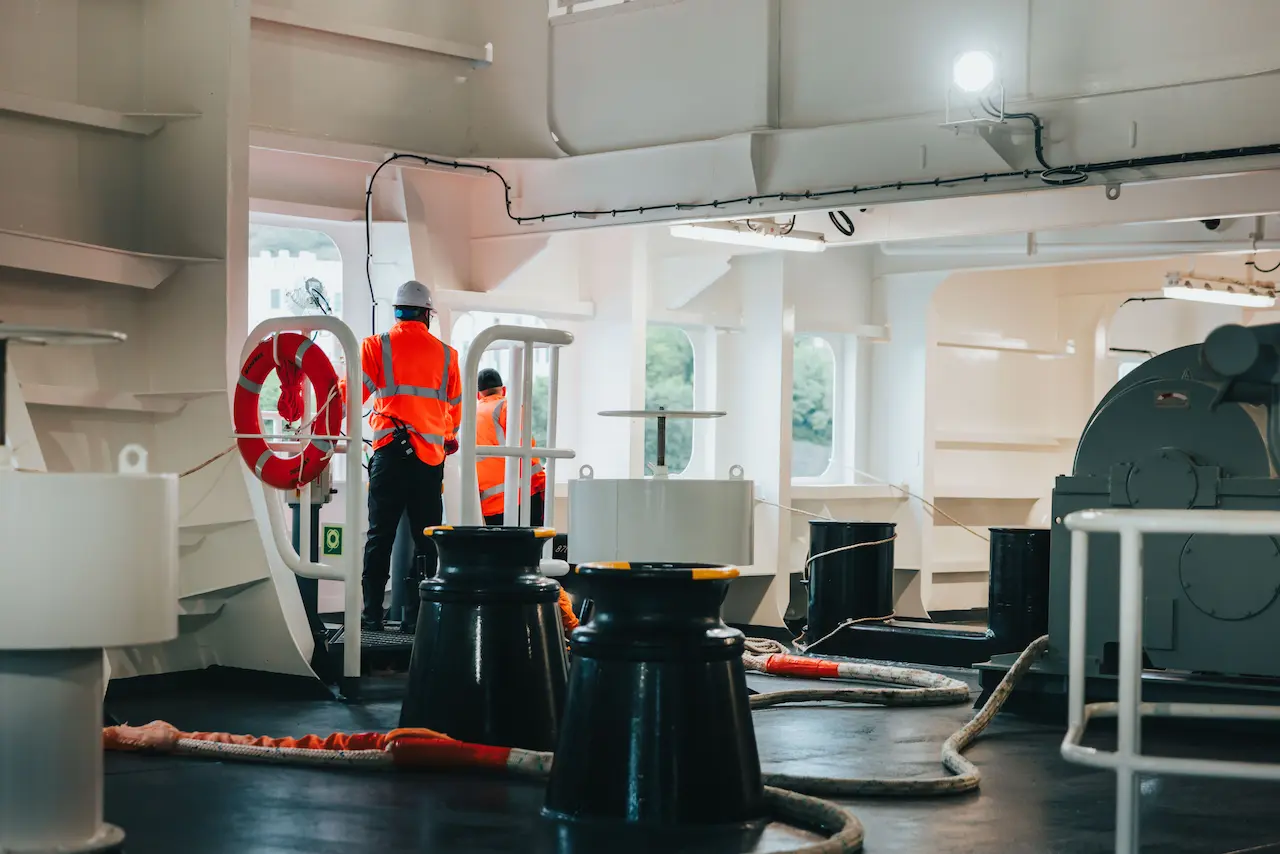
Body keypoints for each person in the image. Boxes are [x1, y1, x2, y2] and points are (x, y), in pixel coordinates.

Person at [353, 280, 461, 631]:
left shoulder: (375, 347)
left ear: (396, 312)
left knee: (378, 536)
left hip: (388, 454)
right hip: (429, 461)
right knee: (426, 540)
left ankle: (370, 616)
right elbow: (454, 412)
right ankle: (420, 619)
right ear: (427, 315)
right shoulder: (448, 356)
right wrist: (446, 438)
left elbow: (350, 393)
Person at [474, 367, 545, 527]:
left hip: (489, 504)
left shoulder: (470, 416)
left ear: (478, 395)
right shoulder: (507, 407)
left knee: (501, 550)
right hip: (521, 497)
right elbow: (526, 449)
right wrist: (541, 483)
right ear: (503, 390)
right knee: (529, 549)